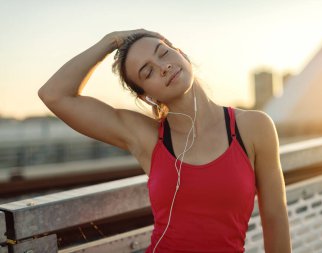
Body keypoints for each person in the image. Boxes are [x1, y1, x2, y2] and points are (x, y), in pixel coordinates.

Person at [38, 29, 292, 253]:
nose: (163, 67)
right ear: (147, 95)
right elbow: (54, 95)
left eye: (164, 53)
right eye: (147, 72)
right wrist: (110, 41)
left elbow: (275, 217)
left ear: (181, 54)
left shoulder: (254, 127)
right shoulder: (147, 137)